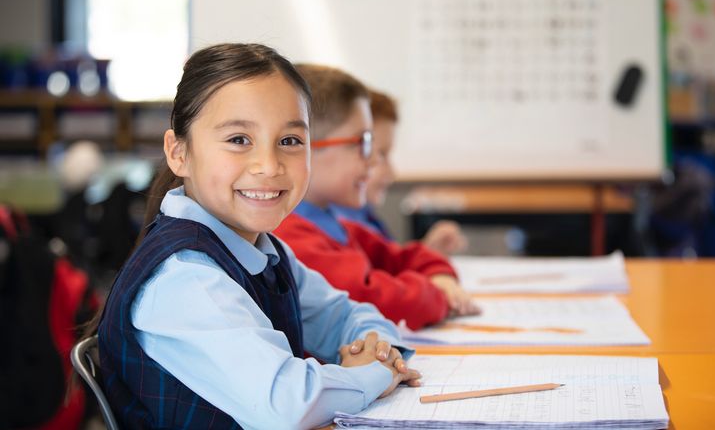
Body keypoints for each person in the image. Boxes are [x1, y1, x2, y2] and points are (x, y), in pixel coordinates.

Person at [93, 44, 420, 429]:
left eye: (290, 141)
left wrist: (376, 347)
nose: (268, 165)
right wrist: (379, 373)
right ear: (178, 153)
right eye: (238, 140)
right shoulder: (186, 279)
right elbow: (287, 406)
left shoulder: (264, 250)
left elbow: (346, 315)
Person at [274, 64, 479, 331]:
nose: (373, 160)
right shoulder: (291, 239)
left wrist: (440, 275)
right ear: (304, 146)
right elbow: (379, 302)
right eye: (362, 143)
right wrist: (440, 295)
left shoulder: (340, 228)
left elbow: (406, 257)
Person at [334, 89, 468, 255]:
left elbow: (389, 267)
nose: (392, 173)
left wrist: (427, 252)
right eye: (381, 154)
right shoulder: (338, 227)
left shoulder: (363, 215)